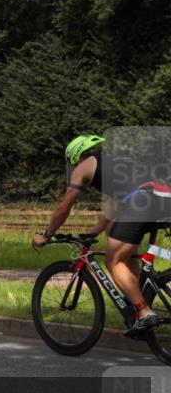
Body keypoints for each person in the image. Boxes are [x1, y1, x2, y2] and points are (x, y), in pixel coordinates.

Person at [31, 134, 167, 338]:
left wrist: (46, 234)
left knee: (113, 261)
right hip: (163, 199)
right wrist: (92, 233)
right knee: (119, 242)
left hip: (140, 202)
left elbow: (64, 208)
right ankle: (139, 303)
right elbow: (113, 212)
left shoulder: (85, 166)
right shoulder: (117, 164)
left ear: (77, 157)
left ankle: (144, 312)